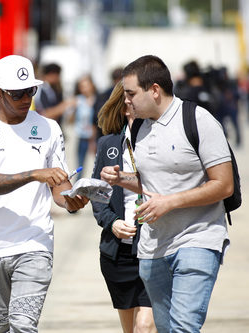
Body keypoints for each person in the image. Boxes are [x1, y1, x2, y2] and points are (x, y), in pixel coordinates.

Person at [100, 55, 233, 333]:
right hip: (153, 248)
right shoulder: (139, 127)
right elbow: (151, 184)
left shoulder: (198, 120)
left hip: (198, 238)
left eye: (131, 94)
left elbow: (224, 185)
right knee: (165, 328)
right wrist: (121, 179)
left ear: (155, 90)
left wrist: (170, 202)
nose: (126, 101)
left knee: (183, 327)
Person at [0, 54, 88, 332]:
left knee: (22, 326)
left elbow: (59, 186)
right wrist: (33, 174)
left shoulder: (49, 128)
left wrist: (72, 200)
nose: (25, 99)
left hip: (35, 244)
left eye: (30, 91)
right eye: (17, 93)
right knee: (1, 329)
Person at [91, 81, 156, 333]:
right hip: (118, 253)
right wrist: (112, 222)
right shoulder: (108, 144)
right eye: (128, 102)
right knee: (130, 329)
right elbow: (98, 196)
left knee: (144, 326)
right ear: (123, 106)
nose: (133, 107)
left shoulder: (159, 140)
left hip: (154, 249)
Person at [70, 74, 98, 176]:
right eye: (82, 86)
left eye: (86, 85)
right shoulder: (78, 100)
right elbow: (70, 120)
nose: (84, 88)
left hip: (95, 137)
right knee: (80, 165)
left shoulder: (98, 99)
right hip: (81, 136)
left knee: (94, 165)